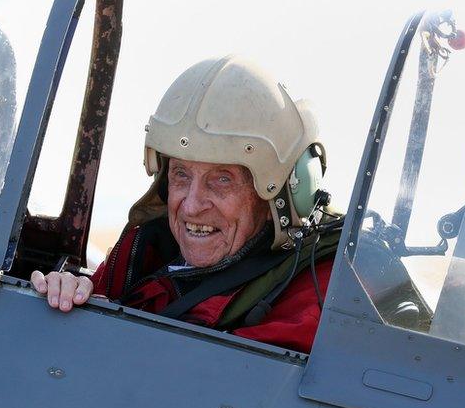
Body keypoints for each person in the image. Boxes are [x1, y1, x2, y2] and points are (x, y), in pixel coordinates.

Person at [31, 55, 341, 353]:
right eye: (180, 174)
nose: (191, 206)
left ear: (281, 193)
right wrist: (69, 295)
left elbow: (232, 388)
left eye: (222, 179)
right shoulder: (148, 251)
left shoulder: (321, 294)